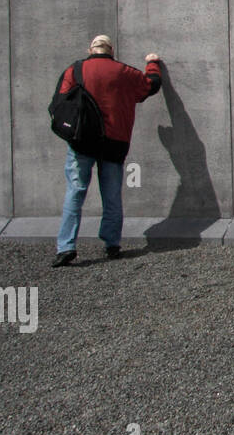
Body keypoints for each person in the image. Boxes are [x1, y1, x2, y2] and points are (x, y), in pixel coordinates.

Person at [53, 35, 162, 267]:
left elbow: (59, 103)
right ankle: (112, 244)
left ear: (90, 49)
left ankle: (66, 247)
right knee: (111, 195)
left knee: (75, 192)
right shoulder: (123, 72)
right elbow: (150, 85)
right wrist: (152, 62)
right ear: (111, 50)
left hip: (81, 141)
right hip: (114, 142)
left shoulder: (75, 70)